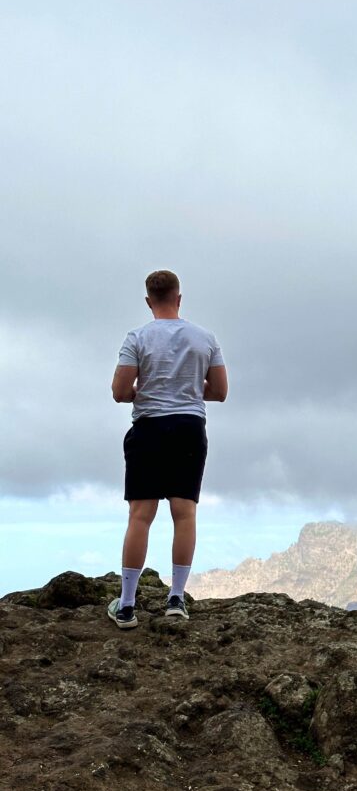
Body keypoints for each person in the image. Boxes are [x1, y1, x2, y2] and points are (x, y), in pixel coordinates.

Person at [109, 270, 228, 629]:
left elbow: (119, 390)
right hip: (189, 428)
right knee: (184, 514)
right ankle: (176, 599)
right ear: (179, 298)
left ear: (149, 301)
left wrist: (144, 391)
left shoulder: (138, 337)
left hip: (149, 428)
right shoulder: (205, 338)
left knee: (141, 516)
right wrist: (188, 389)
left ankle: (127, 605)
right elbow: (220, 391)